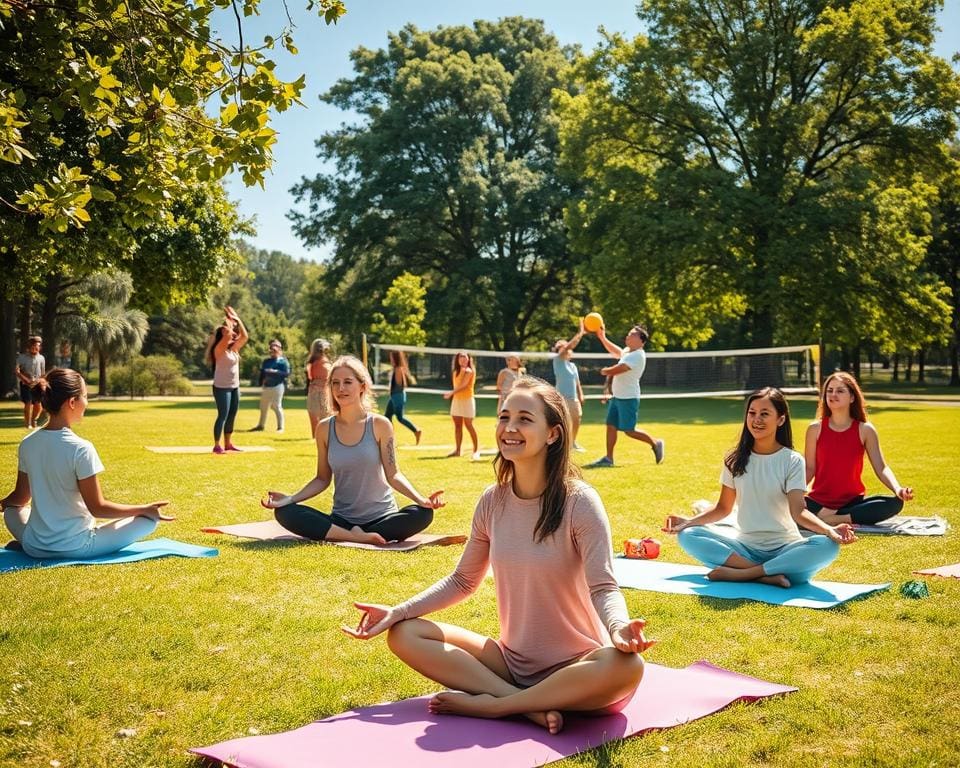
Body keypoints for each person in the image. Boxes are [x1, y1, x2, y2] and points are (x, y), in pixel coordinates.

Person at [344, 377, 653, 734]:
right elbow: (463, 581)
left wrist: (618, 628)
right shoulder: (493, 500)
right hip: (512, 665)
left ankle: (499, 706)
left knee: (629, 667)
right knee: (404, 633)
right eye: (505, 417)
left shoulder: (580, 502)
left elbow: (603, 587)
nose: (509, 427)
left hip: (580, 669)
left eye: (524, 419)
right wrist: (397, 611)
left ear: (553, 434)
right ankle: (521, 705)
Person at [662, 387, 856, 587]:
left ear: (780, 420)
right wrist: (687, 523)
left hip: (786, 550)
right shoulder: (734, 460)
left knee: (828, 545)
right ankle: (765, 574)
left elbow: (799, 512)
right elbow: (723, 509)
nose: (757, 420)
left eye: (765, 414)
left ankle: (745, 574)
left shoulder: (792, 461)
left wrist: (829, 530)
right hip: (745, 549)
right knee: (688, 535)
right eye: (752, 413)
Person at [262, 355, 445, 544]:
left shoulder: (380, 424)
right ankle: (355, 537)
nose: (341, 388)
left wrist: (421, 499)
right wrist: (290, 499)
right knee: (285, 512)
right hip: (342, 520)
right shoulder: (324, 428)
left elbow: (394, 474)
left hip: (382, 518)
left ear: (362, 386)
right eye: (335, 383)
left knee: (423, 514)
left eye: (348, 382)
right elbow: (322, 479)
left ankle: (352, 534)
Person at [2, 368, 173, 558]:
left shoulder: (28, 443)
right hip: (77, 547)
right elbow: (98, 507)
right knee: (148, 521)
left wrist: (3, 504)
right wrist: (144, 509)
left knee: (11, 510)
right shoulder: (81, 448)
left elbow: (19, 498)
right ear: (72, 402)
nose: (87, 402)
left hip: (35, 545)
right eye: (85, 396)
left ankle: (26, 542)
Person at [804, 372, 914, 526]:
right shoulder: (815, 429)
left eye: (840, 391)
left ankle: (834, 518)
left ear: (852, 397)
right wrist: (791, 493)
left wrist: (898, 489)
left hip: (852, 503)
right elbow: (809, 469)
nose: (833, 395)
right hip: (817, 501)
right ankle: (827, 516)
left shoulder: (865, 430)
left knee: (896, 503)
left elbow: (881, 467)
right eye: (829, 391)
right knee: (787, 507)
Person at [585, 324, 664, 467]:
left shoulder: (638, 355)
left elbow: (621, 368)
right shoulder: (628, 352)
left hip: (628, 398)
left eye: (631, 334)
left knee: (629, 431)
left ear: (641, 340)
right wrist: (602, 337)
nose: (627, 336)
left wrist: (605, 371)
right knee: (611, 425)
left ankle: (655, 443)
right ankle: (609, 459)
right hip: (617, 397)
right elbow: (616, 351)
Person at [205, 306, 248, 454]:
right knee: (223, 414)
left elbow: (245, 336)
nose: (231, 333)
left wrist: (237, 320)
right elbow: (228, 335)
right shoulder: (219, 350)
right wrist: (229, 322)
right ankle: (217, 445)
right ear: (221, 335)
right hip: (222, 387)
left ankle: (228, 443)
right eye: (226, 331)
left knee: (232, 414)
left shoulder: (233, 350)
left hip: (234, 386)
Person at [552, 320, 586, 451]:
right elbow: (569, 346)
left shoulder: (572, 366)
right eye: (560, 346)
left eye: (564, 345)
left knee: (577, 420)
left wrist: (581, 395)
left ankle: (572, 442)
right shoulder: (558, 361)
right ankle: (561, 444)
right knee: (562, 422)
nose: (564, 348)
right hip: (562, 398)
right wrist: (580, 332)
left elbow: (577, 382)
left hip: (574, 398)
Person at [443, 351, 480, 460]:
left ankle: (476, 450)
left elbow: (463, 386)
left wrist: (451, 393)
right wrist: (453, 394)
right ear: (457, 360)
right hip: (457, 400)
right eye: (460, 357)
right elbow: (457, 384)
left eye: (465, 357)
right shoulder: (456, 371)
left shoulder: (469, 371)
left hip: (467, 400)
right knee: (457, 425)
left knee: (469, 425)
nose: (463, 359)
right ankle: (458, 450)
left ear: (469, 359)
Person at [251, 339, 290, 433]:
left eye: (275, 349)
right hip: (267, 386)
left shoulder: (283, 362)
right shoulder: (266, 361)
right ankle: (261, 425)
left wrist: (276, 372)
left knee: (277, 406)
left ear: (280, 350)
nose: (273, 351)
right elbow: (262, 372)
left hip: (278, 386)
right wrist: (262, 382)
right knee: (263, 406)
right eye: (271, 349)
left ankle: (280, 427)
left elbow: (286, 373)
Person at [384, 350, 422, 445]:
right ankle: (389, 438)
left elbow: (400, 384)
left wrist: (392, 388)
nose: (390, 359)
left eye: (392, 357)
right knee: (387, 417)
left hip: (397, 397)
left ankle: (416, 430)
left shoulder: (398, 369)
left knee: (399, 418)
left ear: (395, 358)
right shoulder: (397, 368)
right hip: (395, 396)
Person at [15, 335, 45, 429]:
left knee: (38, 405)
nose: (35, 348)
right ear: (29, 347)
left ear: (39, 347)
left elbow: (42, 373)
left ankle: (33, 420)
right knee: (28, 403)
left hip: (37, 384)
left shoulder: (41, 358)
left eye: (37, 346)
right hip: (25, 384)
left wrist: (40, 382)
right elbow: (16, 371)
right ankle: (27, 424)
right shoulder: (22, 357)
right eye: (33, 346)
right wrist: (25, 379)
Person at [306, 338, 333, 437]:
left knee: (321, 414)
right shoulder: (318, 363)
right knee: (319, 414)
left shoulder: (315, 362)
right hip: (318, 390)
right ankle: (318, 435)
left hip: (318, 390)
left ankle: (320, 435)